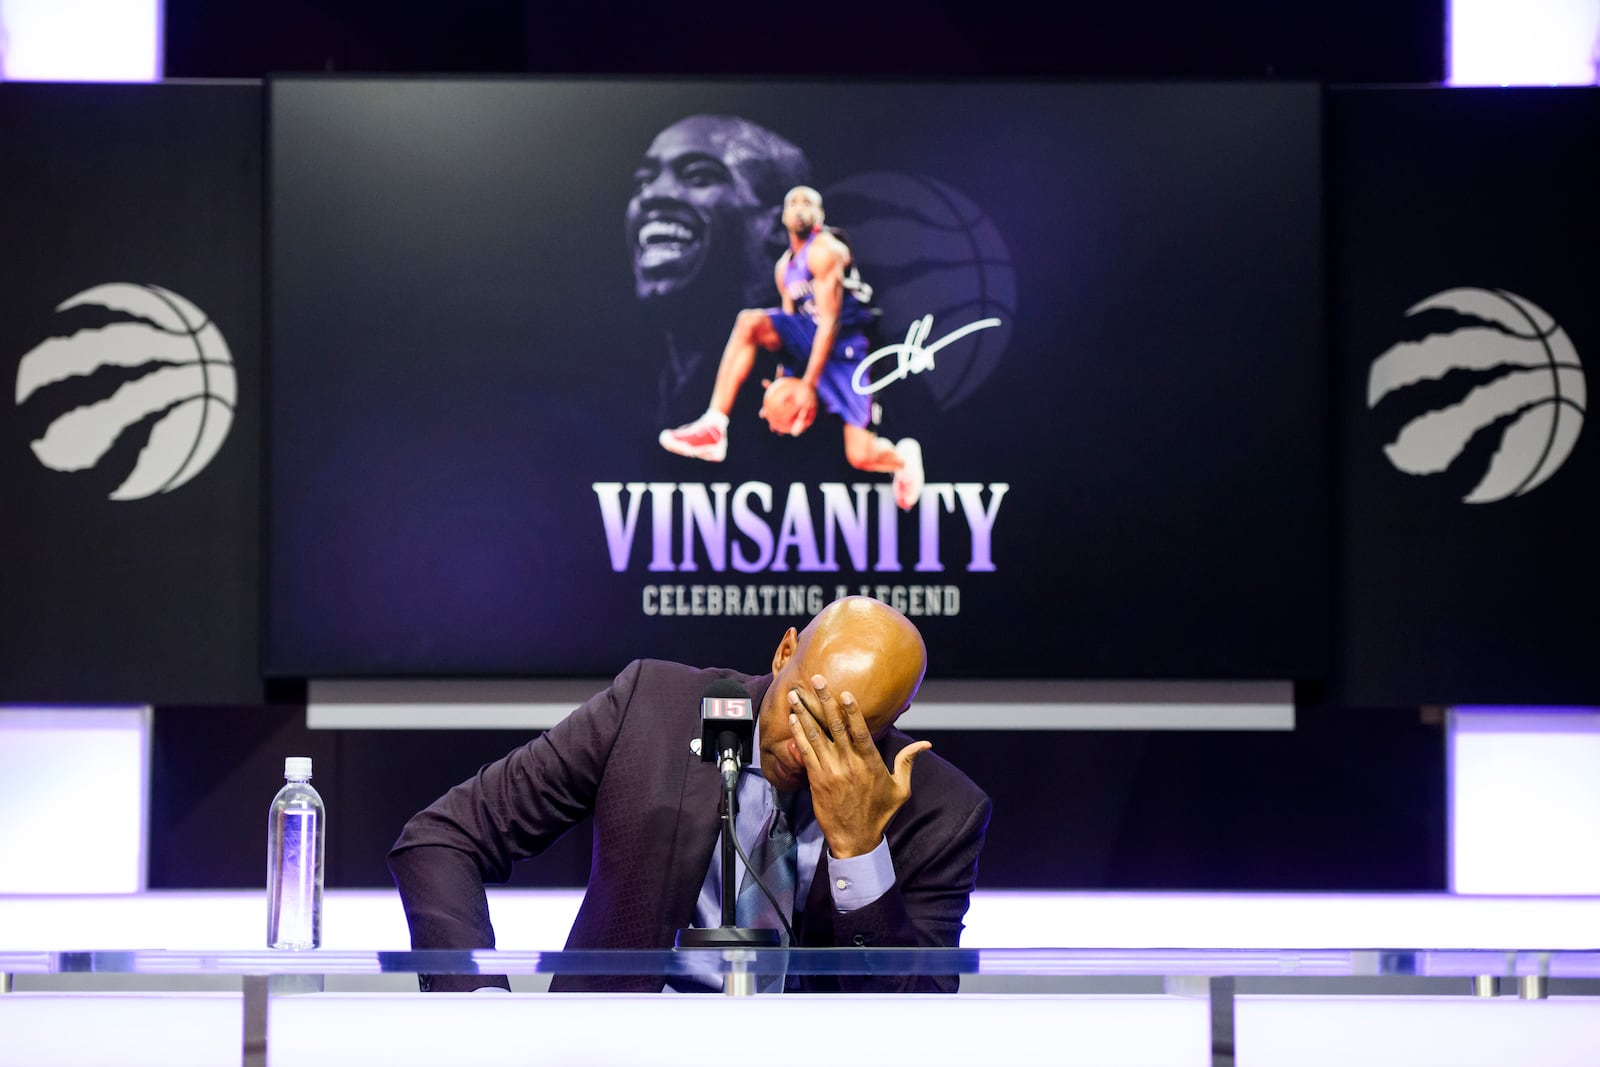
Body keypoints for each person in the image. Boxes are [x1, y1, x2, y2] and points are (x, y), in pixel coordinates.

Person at [388, 596, 991, 993]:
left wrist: (861, 854)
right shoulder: (656, 708)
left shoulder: (941, 811)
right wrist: (475, 1008)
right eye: (802, 707)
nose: (808, 747)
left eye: (844, 731)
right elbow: (443, 838)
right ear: (784, 654)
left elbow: (917, 1019)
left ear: (894, 720)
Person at [658, 185, 927, 510]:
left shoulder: (825, 250)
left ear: (819, 216)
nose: (800, 208)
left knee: (860, 456)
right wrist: (784, 377)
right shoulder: (785, 267)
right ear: (784, 216)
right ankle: (715, 426)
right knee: (750, 323)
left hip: (847, 351)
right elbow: (788, 326)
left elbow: (830, 322)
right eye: (793, 203)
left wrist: (807, 387)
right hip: (810, 340)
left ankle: (902, 459)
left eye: (808, 203)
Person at [626, 115, 812, 429]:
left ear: (784, 224)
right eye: (645, 180)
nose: (652, 194)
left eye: (699, 177)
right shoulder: (614, 395)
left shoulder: (816, 382)